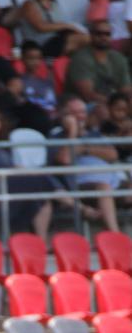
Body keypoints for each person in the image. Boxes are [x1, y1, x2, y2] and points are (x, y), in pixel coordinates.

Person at [0, 105, 54, 243]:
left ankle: (41, 242)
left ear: (1, 122)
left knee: (41, 198)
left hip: (9, 188)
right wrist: (10, 172)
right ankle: (74, 204)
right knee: (38, 180)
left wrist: (17, 170)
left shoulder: (5, 146)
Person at [50, 94, 124, 231]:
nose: (80, 116)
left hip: (113, 181)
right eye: (74, 113)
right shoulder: (57, 137)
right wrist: (72, 133)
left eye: (82, 112)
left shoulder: (93, 134)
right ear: (64, 116)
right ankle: (116, 236)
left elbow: (113, 154)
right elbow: (65, 159)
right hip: (82, 186)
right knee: (103, 188)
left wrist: (84, 149)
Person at [65, 19, 132, 118]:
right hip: (84, 105)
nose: (103, 37)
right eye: (98, 33)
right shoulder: (81, 58)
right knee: (103, 111)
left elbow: (126, 90)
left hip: (114, 103)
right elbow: (88, 95)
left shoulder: (118, 58)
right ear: (91, 34)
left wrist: (124, 103)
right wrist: (115, 104)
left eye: (107, 34)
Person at [18, 0, 90, 57]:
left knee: (87, 40)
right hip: (41, 45)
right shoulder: (29, 4)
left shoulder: (54, 4)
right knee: (86, 39)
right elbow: (41, 27)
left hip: (57, 39)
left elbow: (60, 23)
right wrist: (68, 26)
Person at [19, 40, 58, 118]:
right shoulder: (19, 82)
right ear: (22, 58)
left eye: (38, 58)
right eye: (31, 58)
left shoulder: (47, 82)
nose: (35, 62)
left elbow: (52, 104)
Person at [100, 90, 132, 160]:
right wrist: (122, 131)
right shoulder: (106, 125)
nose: (121, 113)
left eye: (124, 110)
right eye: (118, 109)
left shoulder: (129, 123)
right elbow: (109, 142)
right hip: (116, 158)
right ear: (109, 108)